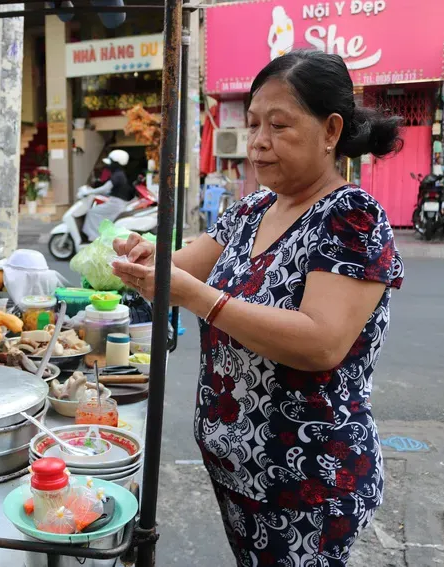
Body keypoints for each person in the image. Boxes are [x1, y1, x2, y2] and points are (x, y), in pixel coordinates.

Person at [112, 50, 404, 566]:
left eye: (279, 125)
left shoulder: (352, 218)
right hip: (238, 470)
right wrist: (144, 261)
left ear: (330, 130)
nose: (258, 141)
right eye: (252, 124)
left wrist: (198, 298)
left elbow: (321, 342)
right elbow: (178, 269)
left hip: (308, 482)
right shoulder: (251, 208)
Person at [81, 149, 136, 241]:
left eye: (110, 163)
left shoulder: (118, 175)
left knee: (93, 212)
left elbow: (105, 188)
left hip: (115, 204)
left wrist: (88, 192)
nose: (108, 165)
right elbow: (108, 190)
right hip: (115, 202)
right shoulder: (119, 174)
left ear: (116, 162)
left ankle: (94, 237)